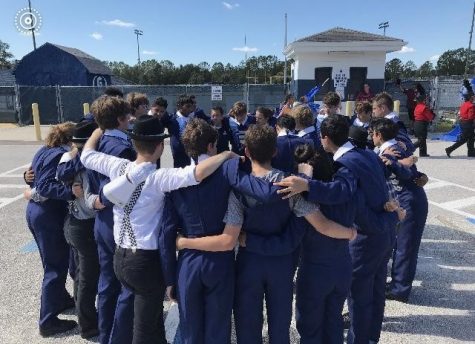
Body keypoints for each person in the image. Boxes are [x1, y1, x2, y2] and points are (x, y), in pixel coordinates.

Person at [176, 124, 356, 344]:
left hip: (248, 263)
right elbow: (322, 225)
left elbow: (232, 232)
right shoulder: (292, 186)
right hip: (282, 263)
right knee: (280, 327)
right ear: (275, 151)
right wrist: (349, 232)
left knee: (248, 327)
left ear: (247, 152)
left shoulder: (239, 188)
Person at [81, 116, 239, 344]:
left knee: (146, 319)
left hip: (120, 255)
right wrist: (225, 154)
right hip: (145, 260)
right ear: (159, 145)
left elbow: (87, 155)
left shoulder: (117, 166)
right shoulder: (158, 178)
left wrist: (99, 129)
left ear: (134, 144)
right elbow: (196, 174)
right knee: (144, 329)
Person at [274, 115, 398, 344]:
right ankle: (370, 338)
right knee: (369, 297)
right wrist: (392, 217)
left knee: (356, 301)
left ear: (326, 138)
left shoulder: (346, 166)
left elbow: (341, 191)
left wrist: (306, 183)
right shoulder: (367, 154)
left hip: (362, 242)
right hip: (373, 239)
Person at [160, 119, 281, 344]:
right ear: (211, 145)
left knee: (190, 330)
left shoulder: (176, 179)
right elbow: (259, 191)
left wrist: (169, 278)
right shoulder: (228, 169)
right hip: (220, 261)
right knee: (218, 329)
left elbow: (166, 232)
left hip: (188, 261)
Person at [292, 143, 355, 344]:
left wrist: (304, 180)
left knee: (310, 328)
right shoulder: (343, 191)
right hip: (342, 264)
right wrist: (350, 233)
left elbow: (323, 226)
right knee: (334, 323)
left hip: (315, 268)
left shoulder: (306, 198)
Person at [87, 95, 137, 344]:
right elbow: (119, 188)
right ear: (120, 119)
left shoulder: (97, 143)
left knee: (107, 281)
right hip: (118, 221)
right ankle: (120, 336)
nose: (130, 120)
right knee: (126, 284)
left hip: (102, 221)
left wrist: (95, 200)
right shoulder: (123, 149)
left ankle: (106, 333)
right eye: (127, 117)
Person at [23, 122, 78, 337]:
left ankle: (61, 299)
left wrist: (26, 179)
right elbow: (44, 186)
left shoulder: (44, 150)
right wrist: (72, 192)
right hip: (48, 214)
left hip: (36, 212)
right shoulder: (59, 155)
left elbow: (31, 176)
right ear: (70, 140)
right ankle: (47, 321)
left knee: (52, 261)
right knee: (55, 267)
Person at [56, 121, 101, 339]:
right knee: (87, 278)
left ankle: (86, 318)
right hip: (83, 224)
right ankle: (89, 325)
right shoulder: (86, 162)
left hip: (73, 222)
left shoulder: (69, 159)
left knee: (82, 275)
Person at [161, 94, 210, 167]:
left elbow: (210, 121)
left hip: (194, 152)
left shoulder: (195, 117)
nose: (190, 109)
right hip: (179, 154)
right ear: (180, 106)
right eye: (187, 106)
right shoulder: (172, 119)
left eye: (191, 106)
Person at [445, 87, 475, 158]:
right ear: (470, 98)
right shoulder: (471, 106)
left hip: (463, 122)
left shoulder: (464, 104)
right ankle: (449, 149)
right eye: (473, 97)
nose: (474, 98)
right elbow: (471, 117)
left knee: (471, 138)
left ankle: (471, 152)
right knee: (464, 139)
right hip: (468, 123)